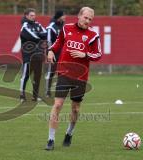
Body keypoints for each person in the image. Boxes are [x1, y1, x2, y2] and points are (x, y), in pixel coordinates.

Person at [45, 7, 102, 150]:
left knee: (75, 109)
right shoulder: (66, 29)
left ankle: (69, 133)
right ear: (79, 16)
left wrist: (85, 55)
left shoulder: (93, 35)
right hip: (64, 73)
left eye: (90, 19)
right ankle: (50, 140)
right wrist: (51, 51)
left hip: (81, 77)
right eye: (85, 18)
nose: (87, 21)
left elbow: (98, 54)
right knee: (57, 105)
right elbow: (58, 43)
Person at [19, 8, 47, 102]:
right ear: (26, 16)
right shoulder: (25, 25)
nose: (33, 17)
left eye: (34, 15)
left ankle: (35, 96)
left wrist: (39, 35)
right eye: (31, 15)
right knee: (26, 75)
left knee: (37, 75)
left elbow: (45, 33)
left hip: (38, 53)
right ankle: (22, 95)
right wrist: (40, 36)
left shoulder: (38, 24)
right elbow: (32, 37)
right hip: (28, 54)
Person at [45, 10, 66, 97]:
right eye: (63, 15)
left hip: (62, 53)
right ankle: (47, 92)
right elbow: (49, 41)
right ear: (59, 16)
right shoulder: (51, 27)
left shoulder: (63, 26)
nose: (65, 17)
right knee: (51, 72)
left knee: (62, 72)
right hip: (54, 53)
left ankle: (60, 91)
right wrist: (50, 51)